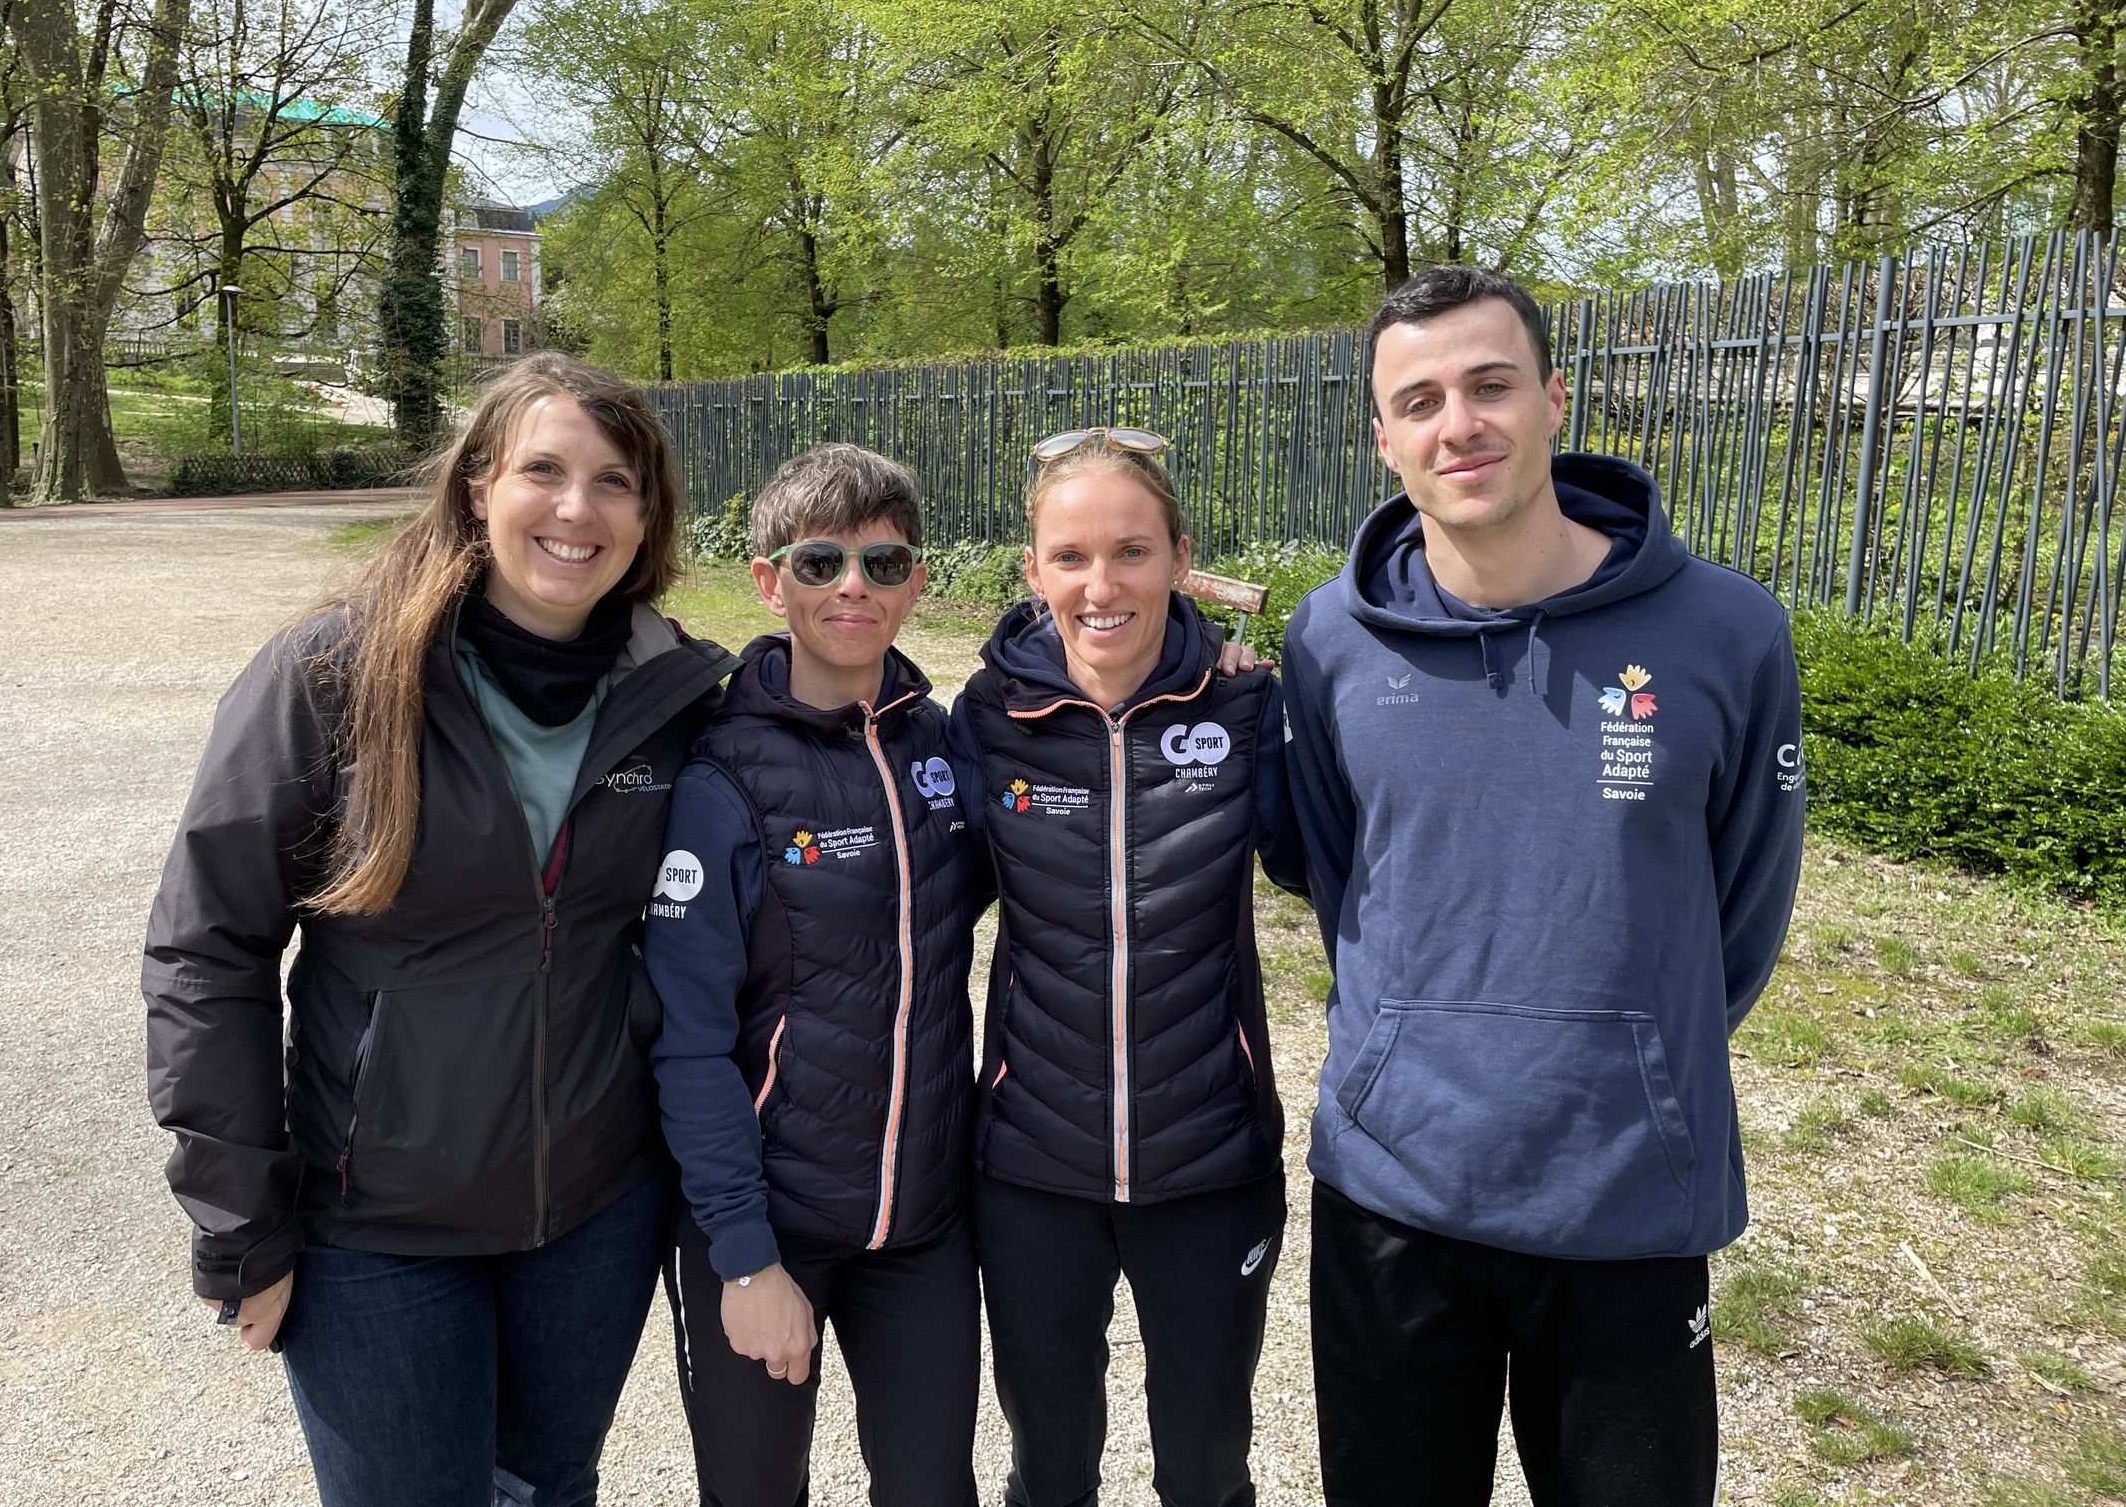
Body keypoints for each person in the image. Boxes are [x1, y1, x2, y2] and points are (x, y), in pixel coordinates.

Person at [143, 353, 736, 1507]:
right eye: (545, 471)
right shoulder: (334, 671)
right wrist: (238, 1220)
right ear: (476, 485)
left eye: (616, 481)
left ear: (649, 512)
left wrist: (1200, 669)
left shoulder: (674, 696)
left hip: (594, 1211)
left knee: (552, 1489)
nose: (579, 509)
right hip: (376, 1223)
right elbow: (207, 946)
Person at [1279, 265, 1806, 1506]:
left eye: (1489, 385)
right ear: (1383, 436)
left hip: (1624, 1193)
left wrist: (1627, 1052)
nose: (1457, 424)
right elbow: (1340, 879)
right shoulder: (1329, 642)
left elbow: (1740, 906)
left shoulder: (1726, 632)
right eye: (1419, 400)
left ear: (1554, 399)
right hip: (1393, 1195)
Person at [947, 426, 1307, 1507]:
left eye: (1132, 551)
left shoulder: (1247, 707)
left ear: (1180, 557)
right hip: (1030, 1167)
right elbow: (907, 911)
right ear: (1033, 571)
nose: (1100, 585)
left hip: (1210, 1163)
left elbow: (1341, 874)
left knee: (1204, 1467)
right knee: (1048, 1468)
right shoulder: (986, 720)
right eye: (1070, 556)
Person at [644, 444, 985, 1507]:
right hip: (762, 1227)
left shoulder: (946, 746)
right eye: (820, 561)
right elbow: (688, 1039)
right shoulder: (719, 774)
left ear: (917, 579)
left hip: (919, 1227)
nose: (853, 587)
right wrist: (743, 1260)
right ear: (767, 581)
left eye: (885, 564)